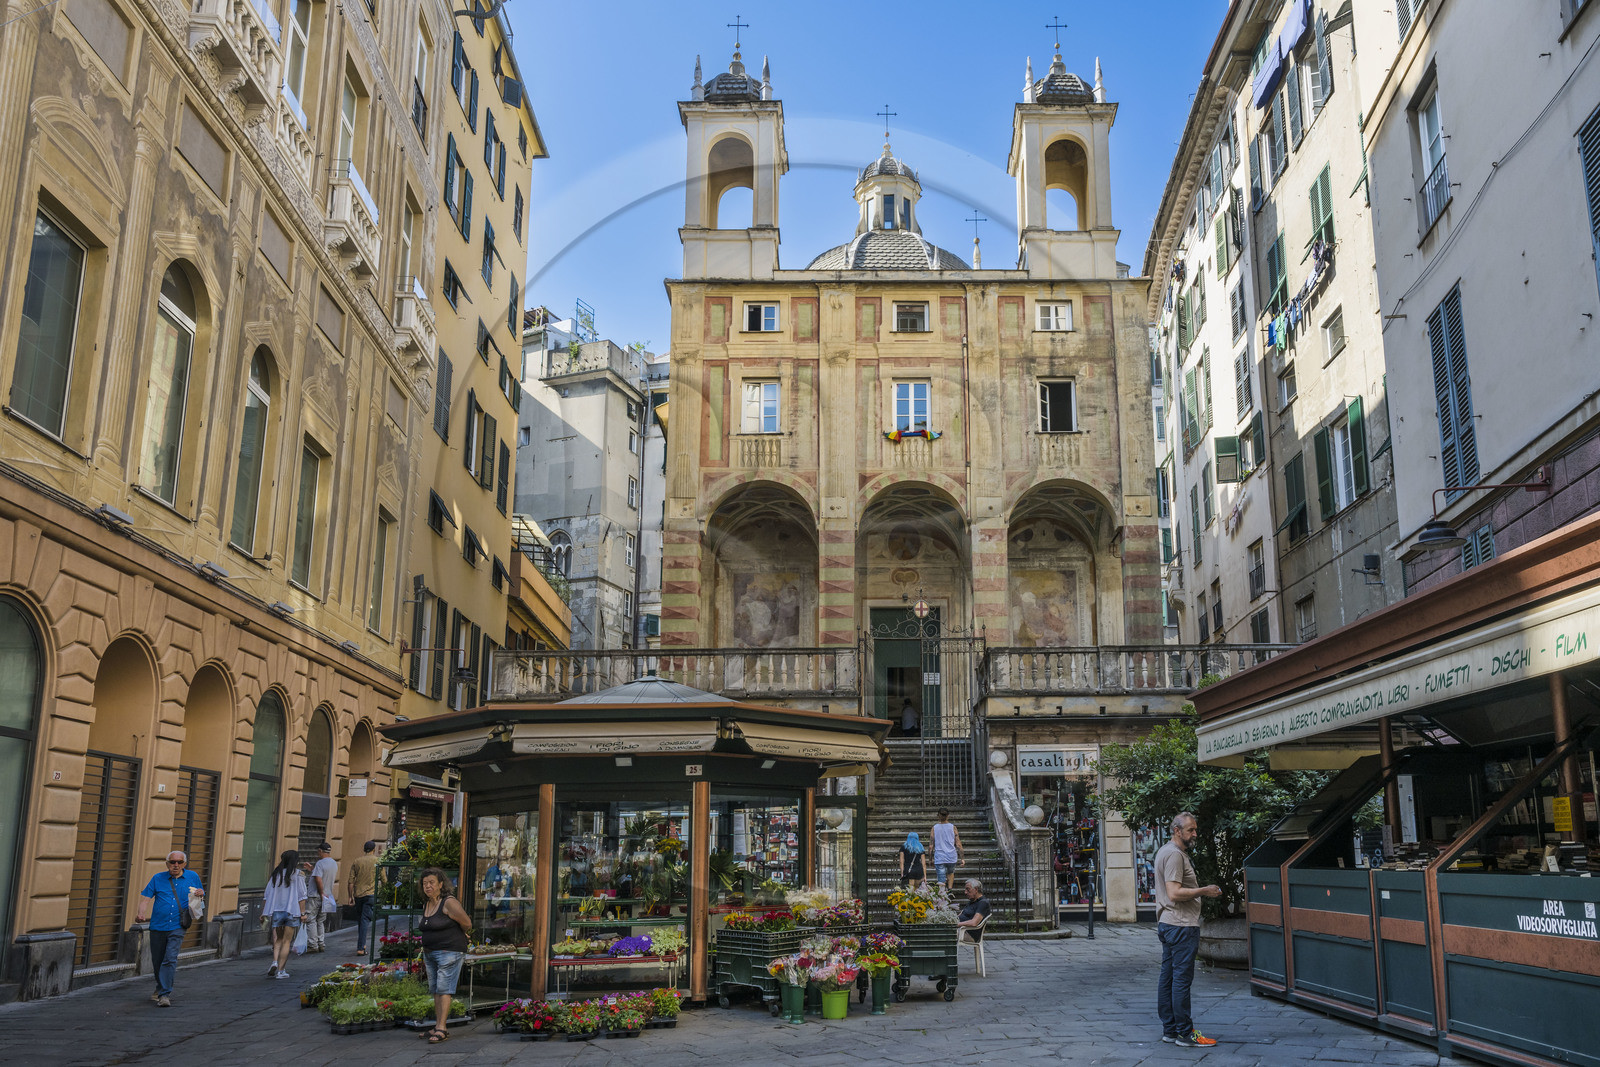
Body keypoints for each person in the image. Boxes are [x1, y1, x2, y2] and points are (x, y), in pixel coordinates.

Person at [1154, 812, 1222, 1048]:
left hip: (1168, 923)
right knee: (1180, 980)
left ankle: (1170, 1030)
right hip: (1180, 925)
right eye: (1190, 830)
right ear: (1176, 830)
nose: (1195, 834)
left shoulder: (1165, 851)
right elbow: (1174, 893)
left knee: (1169, 978)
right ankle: (1185, 1033)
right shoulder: (1174, 855)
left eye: (1195, 829)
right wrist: (1204, 890)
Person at [134, 851, 204, 1007]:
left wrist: (201, 893)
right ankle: (160, 987)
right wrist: (141, 913)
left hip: (178, 925)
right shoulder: (158, 878)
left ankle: (165, 994)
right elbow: (146, 900)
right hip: (157, 926)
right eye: (172, 862)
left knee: (170, 958)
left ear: (184, 864)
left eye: (179, 862)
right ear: (167, 864)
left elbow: (199, 897)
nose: (176, 865)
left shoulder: (192, 876)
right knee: (158, 961)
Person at [418, 867, 472, 1043]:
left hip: (449, 951)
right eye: (425, 883)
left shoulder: (448, 902)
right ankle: (437, 1025)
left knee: (444, 988)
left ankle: (442, 1027)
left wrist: (461, 932)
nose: (428, 886)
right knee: (435, 989)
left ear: (441, 884)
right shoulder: (427, 903)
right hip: (431, 952)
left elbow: (466, 923)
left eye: (432, 882)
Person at [261, 849, 308, 980]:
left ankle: (274, 962)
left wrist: (263, 913)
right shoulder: (299, 875)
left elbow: (267, 895)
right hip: (292, 912)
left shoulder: (275, 875)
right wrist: (303, 913)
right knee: (287, 942)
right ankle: (281, 971)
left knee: (278, 940)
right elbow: (302, 896)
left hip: (277, 911)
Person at [347, 839, 378, 957]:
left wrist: (350, 896)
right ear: (374, 849)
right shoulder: (377, 861)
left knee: (361, 920)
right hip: (370, 894)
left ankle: (362, 944)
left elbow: (350, 881)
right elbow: (384, 879)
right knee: (365, 921)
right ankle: (360, 947)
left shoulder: (357, 861)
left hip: (358, 895)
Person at [306, 841, 338, 953]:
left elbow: (318, 879)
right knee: (321, 921)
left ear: (320, 851)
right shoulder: (334, 863)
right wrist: (312, 870)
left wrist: (321, 892)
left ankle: (312, 944)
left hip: (316, 895)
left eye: (318, 851)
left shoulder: (320, 863)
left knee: (311, 919)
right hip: (328, 896)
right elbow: (324, 875)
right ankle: (321, 943)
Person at [931, 809, 963, 890]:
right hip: (951, 856)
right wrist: (962, 858)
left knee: (941, 877)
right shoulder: (953, 827)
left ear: (938, 815)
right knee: (950, 873)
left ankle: (942, 894)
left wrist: (930, 859)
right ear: (948, 816)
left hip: (939, 856)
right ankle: (950, 889)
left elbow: (931, 845)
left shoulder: (934, 828)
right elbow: (958, 844)